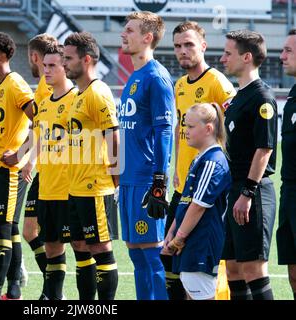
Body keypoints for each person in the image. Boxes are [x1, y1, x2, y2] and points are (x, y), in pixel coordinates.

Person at [166, 21, 236, 300]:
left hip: (207, 190)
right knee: (173, 265)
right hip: (184, 184)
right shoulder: (180, 85)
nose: (182, 51)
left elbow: (235, 125)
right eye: (177, 46)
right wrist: (174, 167)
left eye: (189, 45)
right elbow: (178, 130)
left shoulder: (217, 81)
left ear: (203, 46)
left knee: (200, 265)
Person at [118, 11, 174, 300]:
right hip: (128, 180)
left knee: (151, 257)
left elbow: (165, 131)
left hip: (145, 182)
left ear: (147, 37)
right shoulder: (134, 76)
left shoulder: (157, 77)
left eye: (130, 30)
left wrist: (159, 182)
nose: (123, 34)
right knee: (137, 257)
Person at [220, 30, 277, 300]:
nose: (222, 59)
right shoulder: (237, 98)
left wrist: (248, 192)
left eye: (228, 53)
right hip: (234, 190)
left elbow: (264, 148)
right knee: (232, 268)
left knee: (253, 268)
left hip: (252, 192)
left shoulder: (262, 98)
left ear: (246, 57)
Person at [64, 31, 119, 300]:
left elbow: (113, 136)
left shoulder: (98, 92)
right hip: (76, 187)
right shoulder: (78, 94)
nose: (64, 64)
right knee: (79, 246)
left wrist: (115, 180)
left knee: (100, 248)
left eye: (68, 58)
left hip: (95, 187)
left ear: (86, 60)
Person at [0, 32, 35, 300]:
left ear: (3, 55)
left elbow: (42, 122)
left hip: (12, 170)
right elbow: (3, 128)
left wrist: (22, 152)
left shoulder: (16, 84)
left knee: (2, 228)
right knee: (9, 228)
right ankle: (13, 289)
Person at [163, 103, 231, 300]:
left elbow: (198, 207)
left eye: (191, 127)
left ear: (208, 129)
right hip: (190, 241)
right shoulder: (199, 159)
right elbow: (185, 202)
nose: (185, 131)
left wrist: (179, 238)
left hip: (200, 243)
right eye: (185, 125)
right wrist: (172, 232)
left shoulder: (213, 161)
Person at [25, 44, 77, 299]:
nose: (46, 70)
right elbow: (39, 138)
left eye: (52, 66)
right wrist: (29, 161)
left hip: (71, 187)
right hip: (46, 185)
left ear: (66, 67)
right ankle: (52, 298)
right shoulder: (43, 103)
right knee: (52, 247)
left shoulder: (77, 100)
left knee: (84, 248)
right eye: (44, 65)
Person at [23, 33, 58, 299]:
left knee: (61, 239)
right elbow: (39, 129)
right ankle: (51, 290)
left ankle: (52, 292)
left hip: (58, 173)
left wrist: (26, 157)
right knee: (30, 231)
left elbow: (44, 130)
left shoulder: (50, 87)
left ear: (34, 56)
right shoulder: (42, 89)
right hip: (43, 171)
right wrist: (27, 157)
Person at [278, 28, 296, 300]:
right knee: (293, 272)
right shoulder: (293, 93)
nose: (282, 56)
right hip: (289, 191)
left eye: (288, 50)